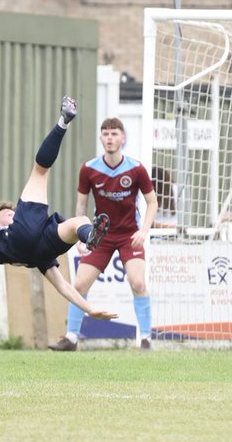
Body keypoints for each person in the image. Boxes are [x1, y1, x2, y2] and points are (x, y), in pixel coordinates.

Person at [0, 96, 117, 322]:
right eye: (7, 213)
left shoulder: (20, 255)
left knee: (77, 223)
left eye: (13, 212)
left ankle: (89, 236)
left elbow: (63, 286)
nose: (12, 212)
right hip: (22, 237)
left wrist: (90, 309)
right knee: (41, 170)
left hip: (40, 249)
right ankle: (63, 122)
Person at [48, 117, 158, 352]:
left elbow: (152, 203)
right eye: (106, 134)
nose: (110, 138)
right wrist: (80, 235)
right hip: (101, 236)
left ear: (123, 138)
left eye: (114, 133)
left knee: (138, 282)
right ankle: (71, 338)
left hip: (130, 235)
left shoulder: (136, 169)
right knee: (79, 284)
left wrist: (144, 231)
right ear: (101, 138)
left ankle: (146, 338)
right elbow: (81, 207)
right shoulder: (89, 169)